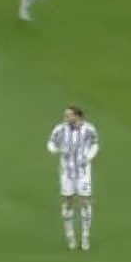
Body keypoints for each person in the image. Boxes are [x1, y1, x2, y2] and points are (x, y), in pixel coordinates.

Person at [47, 105, 98, 250]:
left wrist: (89, 157)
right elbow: (50, 142)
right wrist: (56, 150)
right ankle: (70, 235)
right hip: (67, 172)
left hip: (83, 172)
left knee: (84, 202)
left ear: (77, 116)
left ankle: (85, 236)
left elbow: (95, 144)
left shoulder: (89, 129)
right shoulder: (60, 129)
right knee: (68, 202)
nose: (66, 117)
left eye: (68, 115)